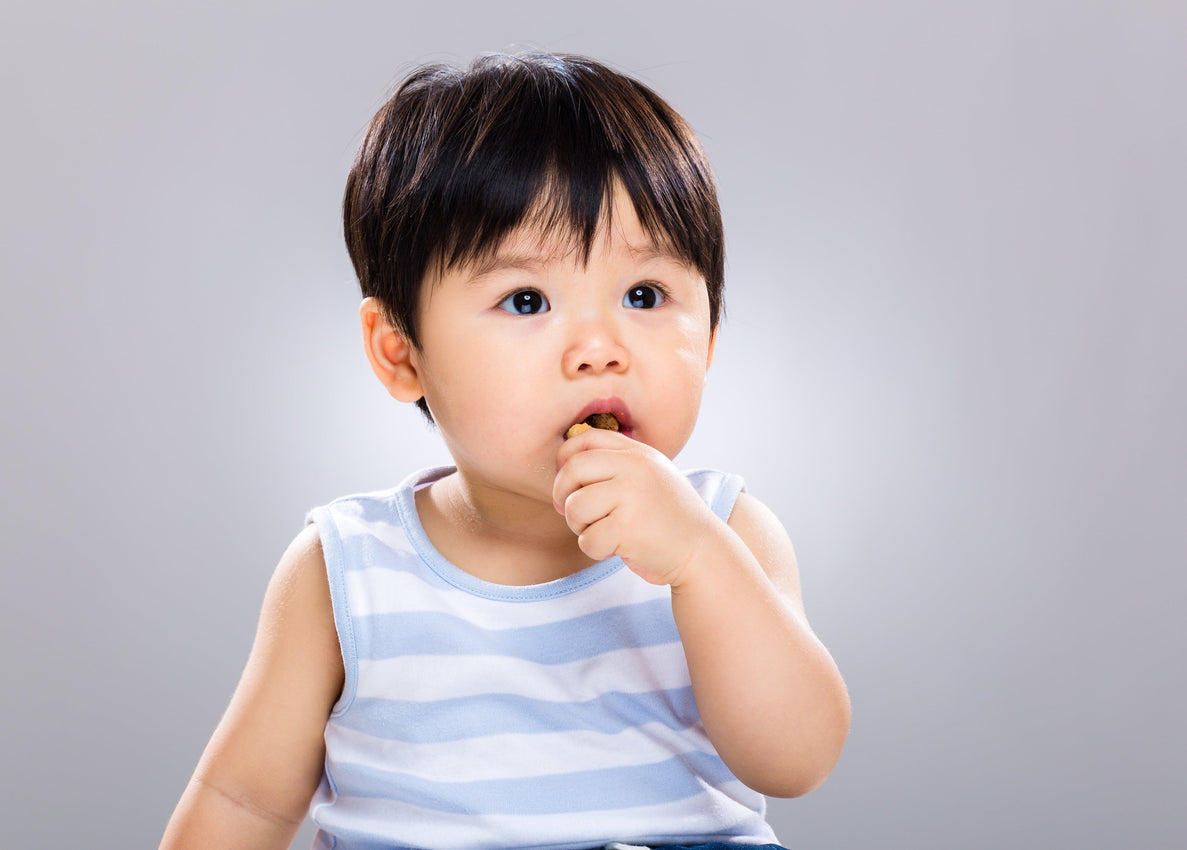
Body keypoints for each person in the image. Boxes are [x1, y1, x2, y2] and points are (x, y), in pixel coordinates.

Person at [160, 52, 850, 850]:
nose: (599, 349)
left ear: (711, 337)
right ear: (399, 353)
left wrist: (698, 560)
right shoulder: (347, 568)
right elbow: (243, 802)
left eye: (644, 295)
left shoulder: (725, 531)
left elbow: (795, 760)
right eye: (526, 300)